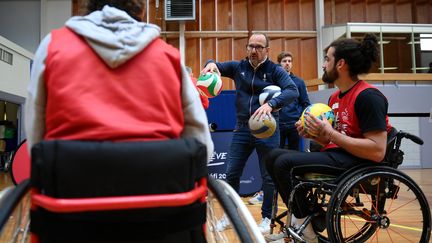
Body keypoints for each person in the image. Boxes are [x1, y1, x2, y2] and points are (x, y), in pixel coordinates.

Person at [25, 2, 213, 240]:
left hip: (72, 218)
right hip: (161, 221)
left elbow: (35, 136)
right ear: (140, 9)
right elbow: (202, 144)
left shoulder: (52, 46)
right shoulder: (168, 55)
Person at [265, 33, 392, 243]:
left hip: (357, 163)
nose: (323, 65)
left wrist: (331, 134)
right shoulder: (334, 97)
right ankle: (310, 218)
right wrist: (316, 134)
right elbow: (336, 139)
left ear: (341, 64)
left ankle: (306, 230)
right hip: (340, 156)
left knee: (283, 163)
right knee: (272, 156)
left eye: (327, 59)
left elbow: (377, 151)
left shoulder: (369, 97)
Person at [201, 33, 299, 234]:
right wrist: (211, 64)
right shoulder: (239, 67)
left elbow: (292, 91)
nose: (253, 51)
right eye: (250, 46)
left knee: (269, 176)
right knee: (231, 173)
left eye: (258, 47)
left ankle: (266, 218)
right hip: (242, 129)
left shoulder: (275, 70)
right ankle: (230, 216)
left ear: (267, 50)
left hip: (268, 129)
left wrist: (272, 104)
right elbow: (215, 64)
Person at [277, 51, 311, 150]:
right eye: (284, 61)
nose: (287, 63)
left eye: (289, 61)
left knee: (294, 153)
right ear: (279, 63)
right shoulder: (274, 81)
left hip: (294, 124)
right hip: (278, 124)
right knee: (277, 153)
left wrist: (302, 120)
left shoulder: (299, 82)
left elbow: (305, 103)